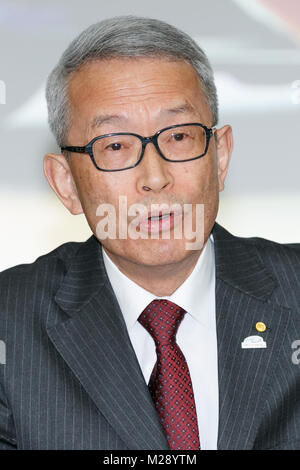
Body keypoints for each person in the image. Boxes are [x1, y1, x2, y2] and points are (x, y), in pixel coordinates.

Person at [0, 16, 299, 451]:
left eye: (178, 136)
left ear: (220, 157)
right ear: (66, 183)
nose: (155, 178)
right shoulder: (10, 323)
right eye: (116, 146)